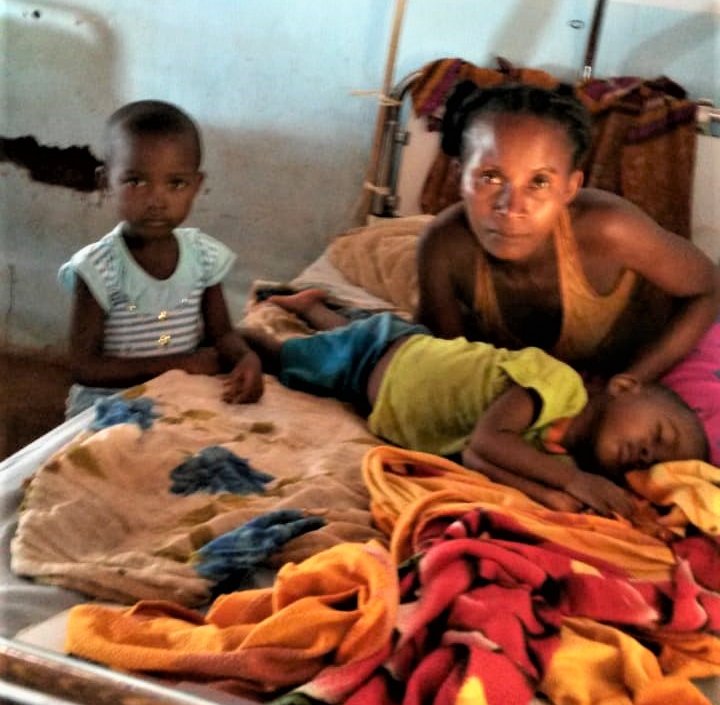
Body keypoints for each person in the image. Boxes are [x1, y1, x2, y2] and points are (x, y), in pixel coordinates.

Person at [244, 290, 708, 519]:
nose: (648, 454)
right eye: (659, 435)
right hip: (386, 355)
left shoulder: (556, 458)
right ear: (625, 387)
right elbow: (487, 441)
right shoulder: (559, 385)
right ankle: (232, 335)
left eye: (656, 462)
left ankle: (313, 306)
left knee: (336, 340)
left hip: (373, 390)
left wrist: (554, 497)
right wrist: (572, 483)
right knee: (281, 357)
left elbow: (478, 461)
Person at [415, 81, 720, 383]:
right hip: (539, 387)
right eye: (490, 177)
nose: (511, 207)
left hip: (650, 359)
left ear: (570, 188)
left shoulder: (610, 230)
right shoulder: (443, 248)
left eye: (539, 182)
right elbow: (451, 366)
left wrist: (633, 379)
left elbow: (710, 288)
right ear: (459, 176)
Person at [59, 100, 263, 416]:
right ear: (105, 183)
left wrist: (247, 359)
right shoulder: (98, 268)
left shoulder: (203, 256)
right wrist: (178, 364)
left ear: (196, 186)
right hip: (109, 402)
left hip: (180, 395)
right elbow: (85, 367)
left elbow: (222, 334)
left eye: (176, 183)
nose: (157, 200)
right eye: (136, 181)